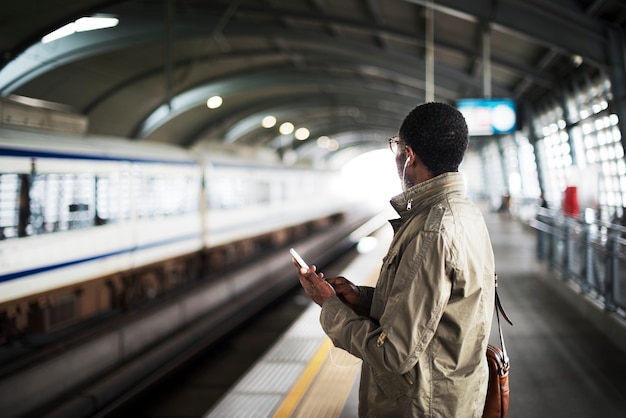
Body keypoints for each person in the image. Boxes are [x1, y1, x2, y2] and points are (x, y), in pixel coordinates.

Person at [294, 102, 496, 417]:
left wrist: (330, 307)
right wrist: (359, 298)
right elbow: (432, 312)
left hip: (421, 406)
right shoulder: (464, 212)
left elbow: (394, 353)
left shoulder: (432, 230)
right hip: (450, 397)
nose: (397, 155)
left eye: (396, 147)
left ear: (409, 154)